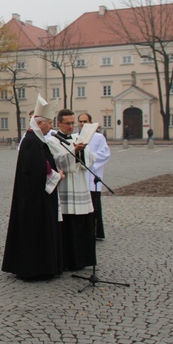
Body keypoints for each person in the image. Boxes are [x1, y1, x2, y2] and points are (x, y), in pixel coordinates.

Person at [2, 95, 64, 281]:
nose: (51, 127)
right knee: (35, 230)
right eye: (49, 123)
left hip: (38, 195)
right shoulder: (30, 141)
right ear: (40, 122)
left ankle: (44, 265)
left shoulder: (37, 140)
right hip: (34, 197)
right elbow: (36, 171)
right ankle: (35, 267)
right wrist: (56, 176)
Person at [49, 109, 96, 271]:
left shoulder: (78, 138)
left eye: (72, 123)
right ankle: (68, 260)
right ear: (59, 123)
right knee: (68, 227)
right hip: (66, 187)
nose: (71, 126)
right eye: (67, 123)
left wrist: (82, 151)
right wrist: (74, 152)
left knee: (83, 225)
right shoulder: (52, 141)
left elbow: (91, 159)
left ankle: (83, 259)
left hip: (81, 185)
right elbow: (58, 162)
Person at [78, 113, 110, 241]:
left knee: (94, 206)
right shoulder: (76, 137)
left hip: (92, 176)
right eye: (80, 121)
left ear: (90, 122)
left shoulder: (99, 137)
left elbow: (105, 153)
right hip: (80, 176)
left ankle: (96, 232)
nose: (82, 124)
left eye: (85, 121)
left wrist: (89, 160)